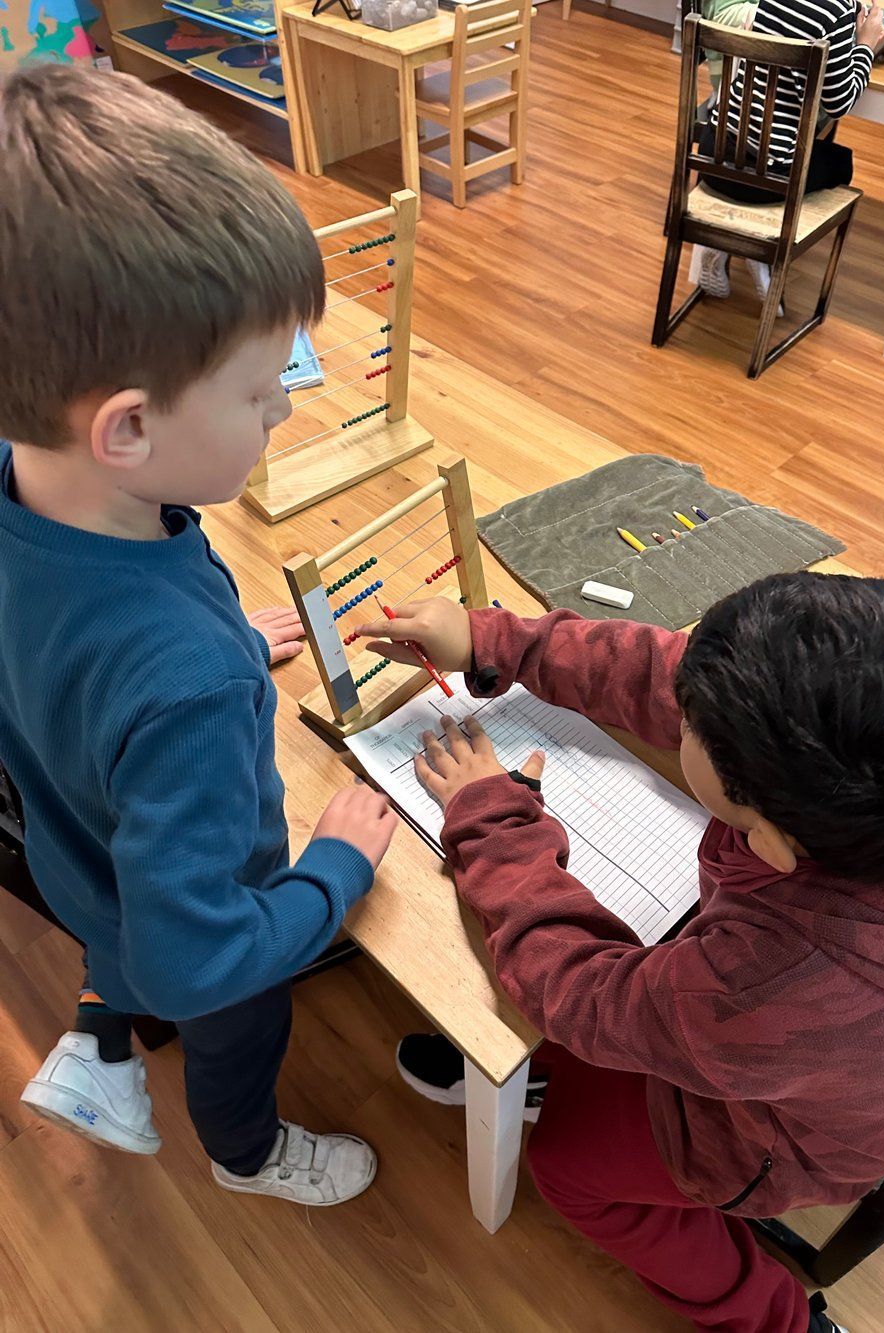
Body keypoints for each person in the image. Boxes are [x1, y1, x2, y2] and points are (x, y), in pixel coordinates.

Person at [359, 575, 884, 1333]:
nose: (677, 702)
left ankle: (770, 1316)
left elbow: (579, 993)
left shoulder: (772, 980)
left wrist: (494, 818)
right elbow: (669, 672)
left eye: (693, 724)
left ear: (772, 836)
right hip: (784, 1053)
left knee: (568, 1166)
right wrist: (497, 639)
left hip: (778, 1139)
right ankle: (543, 1075)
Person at [0, 64, 399, 1205]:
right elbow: (202, 954)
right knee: (230, 1023)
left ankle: (105, 1036)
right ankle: (248, 1155)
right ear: (126, 428)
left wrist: (211, 631)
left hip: (78, 862)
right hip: (188, 936)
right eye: (266, 390)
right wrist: (335, 866)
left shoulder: (26, 488)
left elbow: (81, 660)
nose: (285, 409)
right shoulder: (189, 688)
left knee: (121, 953)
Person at [695, 0, 884, 301]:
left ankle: (727, 238)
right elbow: (839, 103)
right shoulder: (836, 13)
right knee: (839, 163)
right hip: (768, 179)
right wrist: (865, 45)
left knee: (781, 146)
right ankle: (762, 243)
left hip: (711, 155)